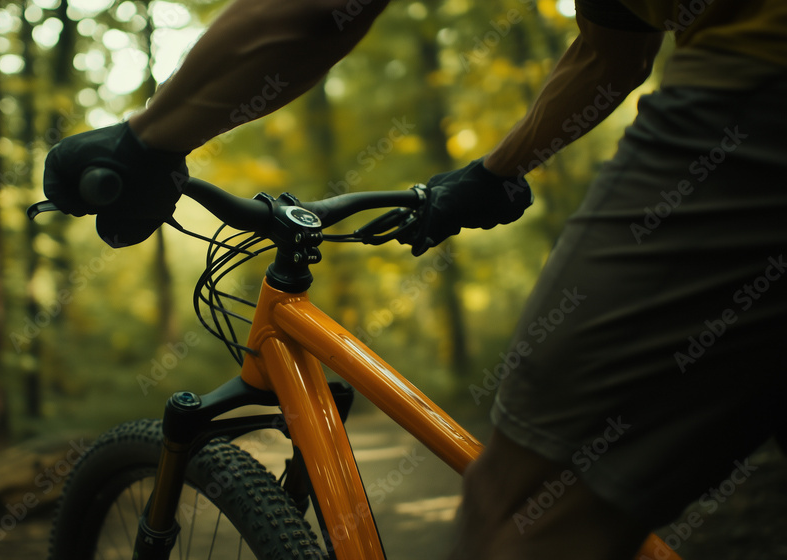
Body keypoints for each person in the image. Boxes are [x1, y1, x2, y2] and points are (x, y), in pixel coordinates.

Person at [43, 0, 787, 558]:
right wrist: (489, 174)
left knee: (522, 509)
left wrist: (142, 141)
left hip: (754, 94)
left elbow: (312, 15)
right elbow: (613, 54)